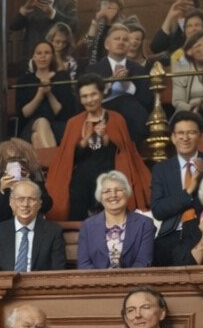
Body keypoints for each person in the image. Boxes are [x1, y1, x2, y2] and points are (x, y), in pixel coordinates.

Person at [44, 74, 152, 222]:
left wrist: (105, 136)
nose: (89, 100)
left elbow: (122, 151)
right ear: (80, 99)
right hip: (82, 178)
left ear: (102, 94)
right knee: (78, 187)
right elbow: (68, 156)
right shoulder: (74, 123)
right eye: (85, 96)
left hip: (110, 172)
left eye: (93, 94)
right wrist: (86, 139)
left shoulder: (116, 118)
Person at [150, 111, 203, 266]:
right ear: (173, 137)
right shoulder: (161, 170)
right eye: (180, 133)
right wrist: (188, 192)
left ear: (200, 136)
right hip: (172, 233)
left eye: (191, 133)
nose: (185, 138)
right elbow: (158, 210)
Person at [85, 23, 153, 143]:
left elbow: (146, 101)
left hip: (133, 121)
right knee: (125, 101)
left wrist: (127, 85)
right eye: (117, 39)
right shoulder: (93, 70)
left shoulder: (139, 70)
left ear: (129, 46)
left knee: (129, 104)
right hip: (103, 115)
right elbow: (87, 99)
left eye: (125, 40)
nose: (121, 42)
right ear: (107, 44)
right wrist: (112, 80)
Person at [0, 177, 65, 272]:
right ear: (11, 202)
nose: (25, 204)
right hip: (5, 286)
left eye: (31, 199)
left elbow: (58, 274)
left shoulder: (53, 232)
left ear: (39, 204)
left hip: (39, 285)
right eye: (20, 199)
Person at [76, 171, 153, 270]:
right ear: (100, 196)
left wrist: (124, 282)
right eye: (107, 191)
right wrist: (103, 283)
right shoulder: (87, 226)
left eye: (118, 190)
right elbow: (84, 264)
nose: (113, 195)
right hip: (97, 284)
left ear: (127, 192)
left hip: (134, 283)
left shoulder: (145, 224)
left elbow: (143, 261)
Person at [14, 38, 76, 149]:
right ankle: (57, 164)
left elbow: (63, 113)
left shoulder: (62, 77)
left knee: (37, 138)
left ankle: (51, 164)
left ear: (52, 56)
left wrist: (49, 93)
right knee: (41, 122)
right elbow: (24, 114)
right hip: (30, 125)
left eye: (47, 53)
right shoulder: (25, 81)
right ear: (33, 56)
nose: (43, 56)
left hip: (57, 125)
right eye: (39, 53)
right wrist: (40, 94)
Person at [9, 0, 80, 57]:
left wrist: (53, 14)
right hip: (33, 59)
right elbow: (14, 26)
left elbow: (74, 26)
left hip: (57, 59)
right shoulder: (31, 5)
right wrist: (25, 9)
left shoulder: (68, 3)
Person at [79, 0, 126, 65]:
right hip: (95, 65)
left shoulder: (125, 25)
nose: (107, 8)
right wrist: (95, 23)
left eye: (111, 5)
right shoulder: (97, 24)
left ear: (119, 8)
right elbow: (86, 45)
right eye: (104, 4)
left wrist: (110, 22)